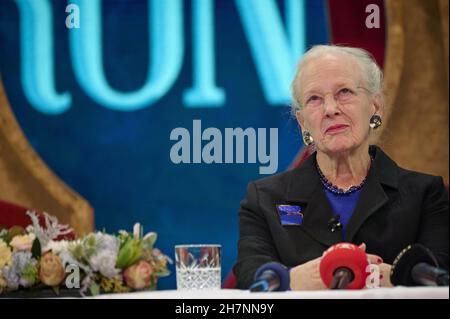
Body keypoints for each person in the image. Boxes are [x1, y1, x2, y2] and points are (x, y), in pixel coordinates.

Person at [234, 45, 449, 290]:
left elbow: (440, 273)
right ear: (303, 122)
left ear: (375, 107)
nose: (330, 109)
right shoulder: (264, 200)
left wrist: (397, 276)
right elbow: (249, 275)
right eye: (314, 99)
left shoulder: (426, 194)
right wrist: (293, 279)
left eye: (344, 92)